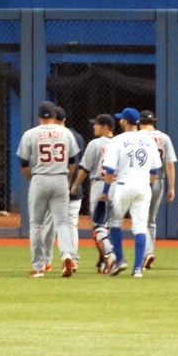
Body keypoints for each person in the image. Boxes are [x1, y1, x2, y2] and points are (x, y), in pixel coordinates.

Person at [16, 101, 81, 278]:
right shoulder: (66, 132)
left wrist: (33, 179)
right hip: (60, 177)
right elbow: (73, 162)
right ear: (54, 116)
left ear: (38, 117)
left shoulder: (30, 134)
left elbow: (23, 164)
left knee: (36, 224)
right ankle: (67, 255)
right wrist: (67, 180)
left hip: (39, 178)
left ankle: (38, 267)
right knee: (63, 222)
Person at [100, 107, 162, 278]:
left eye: (122, 119)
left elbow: (110, 169)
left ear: (126, 122)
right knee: (140, 227)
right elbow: (155, 170)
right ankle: (137, 269)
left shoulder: (118, 140)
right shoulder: (149, 140)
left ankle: (120, 260)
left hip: (123, 185)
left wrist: (105, 191)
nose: (120, 120)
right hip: (143, 186)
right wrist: (147, 189)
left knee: (115, 224)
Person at [71, 113, 117, 274]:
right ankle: (103, 262)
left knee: (99, 227)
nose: (93, 126)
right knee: (110, 226)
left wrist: (76, 184)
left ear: (105, 127)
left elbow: (84, 169)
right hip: (118, 187)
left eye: (96, 124)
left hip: (100, 185)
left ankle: (110, 256)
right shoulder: (121, 143)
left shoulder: (95, 144)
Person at [43, 106, 85, 273]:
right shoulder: (77, 137)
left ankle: (46, 261)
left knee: (49, 225)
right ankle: (72, 259)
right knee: (70, 225)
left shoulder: (44, 135)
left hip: (53, 184)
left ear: (53, 118)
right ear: (64, 119)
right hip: (74, 186)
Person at [137, 110, 178, 269]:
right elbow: (169, 164)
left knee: (140, 219)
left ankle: (146, 253)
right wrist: (172, 187)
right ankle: (149, 251)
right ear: (154, 121)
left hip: (139, 180)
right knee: (151, 221)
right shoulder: (164, 138)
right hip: (158, 181)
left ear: (140, 122)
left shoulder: (136, 136)